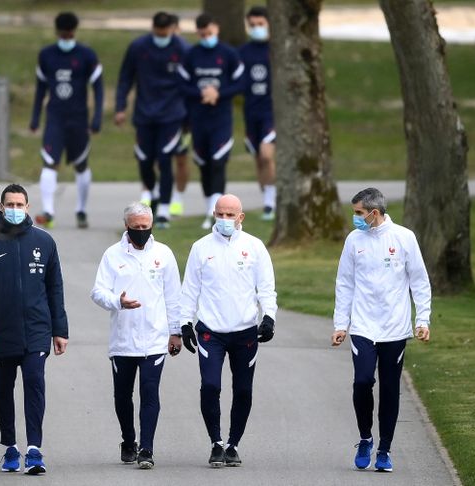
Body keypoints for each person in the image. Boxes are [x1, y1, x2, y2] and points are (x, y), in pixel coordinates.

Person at [0, 184, 69, 475]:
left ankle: (34, 449)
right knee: (2, 389)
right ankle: (10, 446)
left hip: (36, 330)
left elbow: (55, 288)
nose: (14, 209)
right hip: (0, 332)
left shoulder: (44, 242)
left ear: (27, 207)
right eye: (9, 204)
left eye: (19, 205)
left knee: (35, 382)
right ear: (0, 207)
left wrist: (60, 329)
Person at [332, 187, 431, 473]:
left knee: (390, 389)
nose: (355, 218)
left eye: (359, 213)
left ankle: (384, 449)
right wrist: (341, 324)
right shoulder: (354, 241)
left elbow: (419, 282)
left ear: (374, 213)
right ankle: (365, 438)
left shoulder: (404, 238)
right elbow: (345, 283)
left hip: (394, 328)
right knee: (362, 381)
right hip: (363, 326)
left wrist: (422, 320)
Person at [179, 193, 277, 467]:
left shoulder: (255, 247)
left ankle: (233, 444)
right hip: (211, 332)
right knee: (210, 386)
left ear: (241, 217)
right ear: (214, 215)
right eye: (220, 214)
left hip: (245, 332)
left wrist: (269, 317)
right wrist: (185, 323)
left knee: (243, 390)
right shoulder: (201, 247)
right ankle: (216, 442)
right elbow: (190, 289)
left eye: (230, 215)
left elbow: (266, 288)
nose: (224, 220)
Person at [90, 201, 183, 469]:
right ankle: (128, 440)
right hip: (123, 341)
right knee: (122, 396)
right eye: (136, 227)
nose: (141, 231)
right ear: (126, 226)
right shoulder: (112, 255)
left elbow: (173, 297)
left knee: (150, 392)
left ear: (151, 225)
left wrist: (175, 332)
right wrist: (118, 301)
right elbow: (98, 292)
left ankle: (147, 448)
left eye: (145, 226)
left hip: (154, 339)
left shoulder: (164, 255)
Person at [115, 12, 189, 229]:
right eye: (158, 32)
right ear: (153, 28)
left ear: (171, 30)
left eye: (165, 33)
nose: (162, 36)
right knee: (145, 160)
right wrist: (120, 107)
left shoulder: (182, 49)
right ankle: (153, 193)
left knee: (165, 158)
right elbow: (125, 77)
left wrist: (190, 115)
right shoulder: (139, 47)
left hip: (172, 114)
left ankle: (164, 208)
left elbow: (190, 82)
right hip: (145, 113)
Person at [30, 11, 104, 230]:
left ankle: (81, 210)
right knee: (49, 162)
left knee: (81, 164)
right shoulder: (47, 55)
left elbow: (98, 88)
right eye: (63, 32)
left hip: (79, 119)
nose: (66, 35)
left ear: (74, 31)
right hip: (55, 118)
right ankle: (48, 211)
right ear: (57, 32)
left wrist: (97, 116)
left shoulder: (86, 55)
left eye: (69, 32)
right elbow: (40, 88)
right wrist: (35, 117)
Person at [177, 14, 245, 229]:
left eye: (210, 32)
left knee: (218, 161)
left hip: (221, 119)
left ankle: (212, 211)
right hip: (198, 118)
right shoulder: (191, 55)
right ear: (197, 33)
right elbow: (181, 85)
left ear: (217, 28)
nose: (207, 37)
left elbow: (241, 82)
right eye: (202, 34)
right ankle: (210, 206)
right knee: (204, 163)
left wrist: (219, 93)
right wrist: (201, 93)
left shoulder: (228, 54)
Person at [239, 6, 277, 220]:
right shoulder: (242, 52)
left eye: (260, 24)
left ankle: (271, 201)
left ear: (269, 24)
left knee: (266, 154)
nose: (256, 28)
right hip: (250, 112)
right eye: (252, 25)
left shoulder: (275, 49)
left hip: (270, 112)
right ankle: (267, 200)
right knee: (258, 159)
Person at [169, 13, 191, 218]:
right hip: (160, 115)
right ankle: (158, 195)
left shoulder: (187, 52)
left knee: (181, 158)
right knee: (159, 158)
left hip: (182, 115)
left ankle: (178, 197)